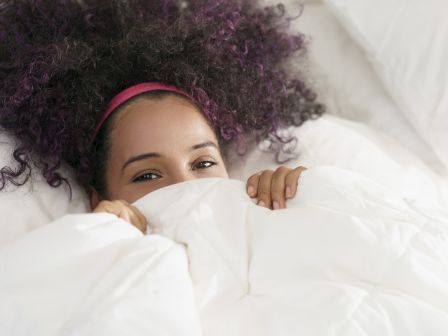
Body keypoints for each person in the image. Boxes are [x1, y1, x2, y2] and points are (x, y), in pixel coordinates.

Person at [0, 0, 324, 233]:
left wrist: (304, 200)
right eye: (147, 176)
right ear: (100, 196)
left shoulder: (265, 213)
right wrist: (102, 238)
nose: (186, 187)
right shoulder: (91, 250)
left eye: (203, 163)